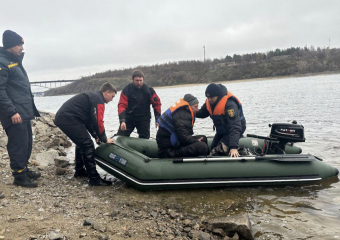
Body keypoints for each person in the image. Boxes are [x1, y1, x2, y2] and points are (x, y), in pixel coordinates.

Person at [54, 83, 117, 186]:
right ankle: (94, 179)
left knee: (82, 142)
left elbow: (88, 121)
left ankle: (79, 171)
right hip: (67, 118)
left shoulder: (93, 97)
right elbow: (98, 121)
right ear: (107, 92)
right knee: (87, 144)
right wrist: (104, 139)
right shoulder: (98, 100)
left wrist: (96, 136)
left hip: (66, 117)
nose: (112, 99)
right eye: (112, 96)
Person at [0, 30, 41, 188]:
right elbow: (0, 91)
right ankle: (19, 176)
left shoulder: (15, 61)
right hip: (14, 113)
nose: (22, 48)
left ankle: (23, 168)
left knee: (26, 142)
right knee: (18, 143)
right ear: (10, 45)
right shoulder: (2, 62)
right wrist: (12, 111)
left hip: (23, 111)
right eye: (19, 44)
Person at [196, 83, 246, 157]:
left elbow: (235, 126)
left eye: (211, 97)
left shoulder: (229, 105)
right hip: (222, 130)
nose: (209, 100)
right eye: (207, 97)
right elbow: (202, 113)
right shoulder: (209, 102)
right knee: (213, 147)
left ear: (217, 95)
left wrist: (233, 147)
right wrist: (191, 111)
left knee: (218, 150)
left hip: (235, 129)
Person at [117, 70, 161, 139]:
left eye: (141, 80)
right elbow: (121, 105)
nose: (139, 83)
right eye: (137, 80)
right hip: (129, 118)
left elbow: (157, 104)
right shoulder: (127, 89)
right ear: (132, 79)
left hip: (143, 119)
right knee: (120, 137)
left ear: (143, 79)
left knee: (144, 138)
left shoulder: (149, 90)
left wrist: (158, 118)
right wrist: (122, 121)